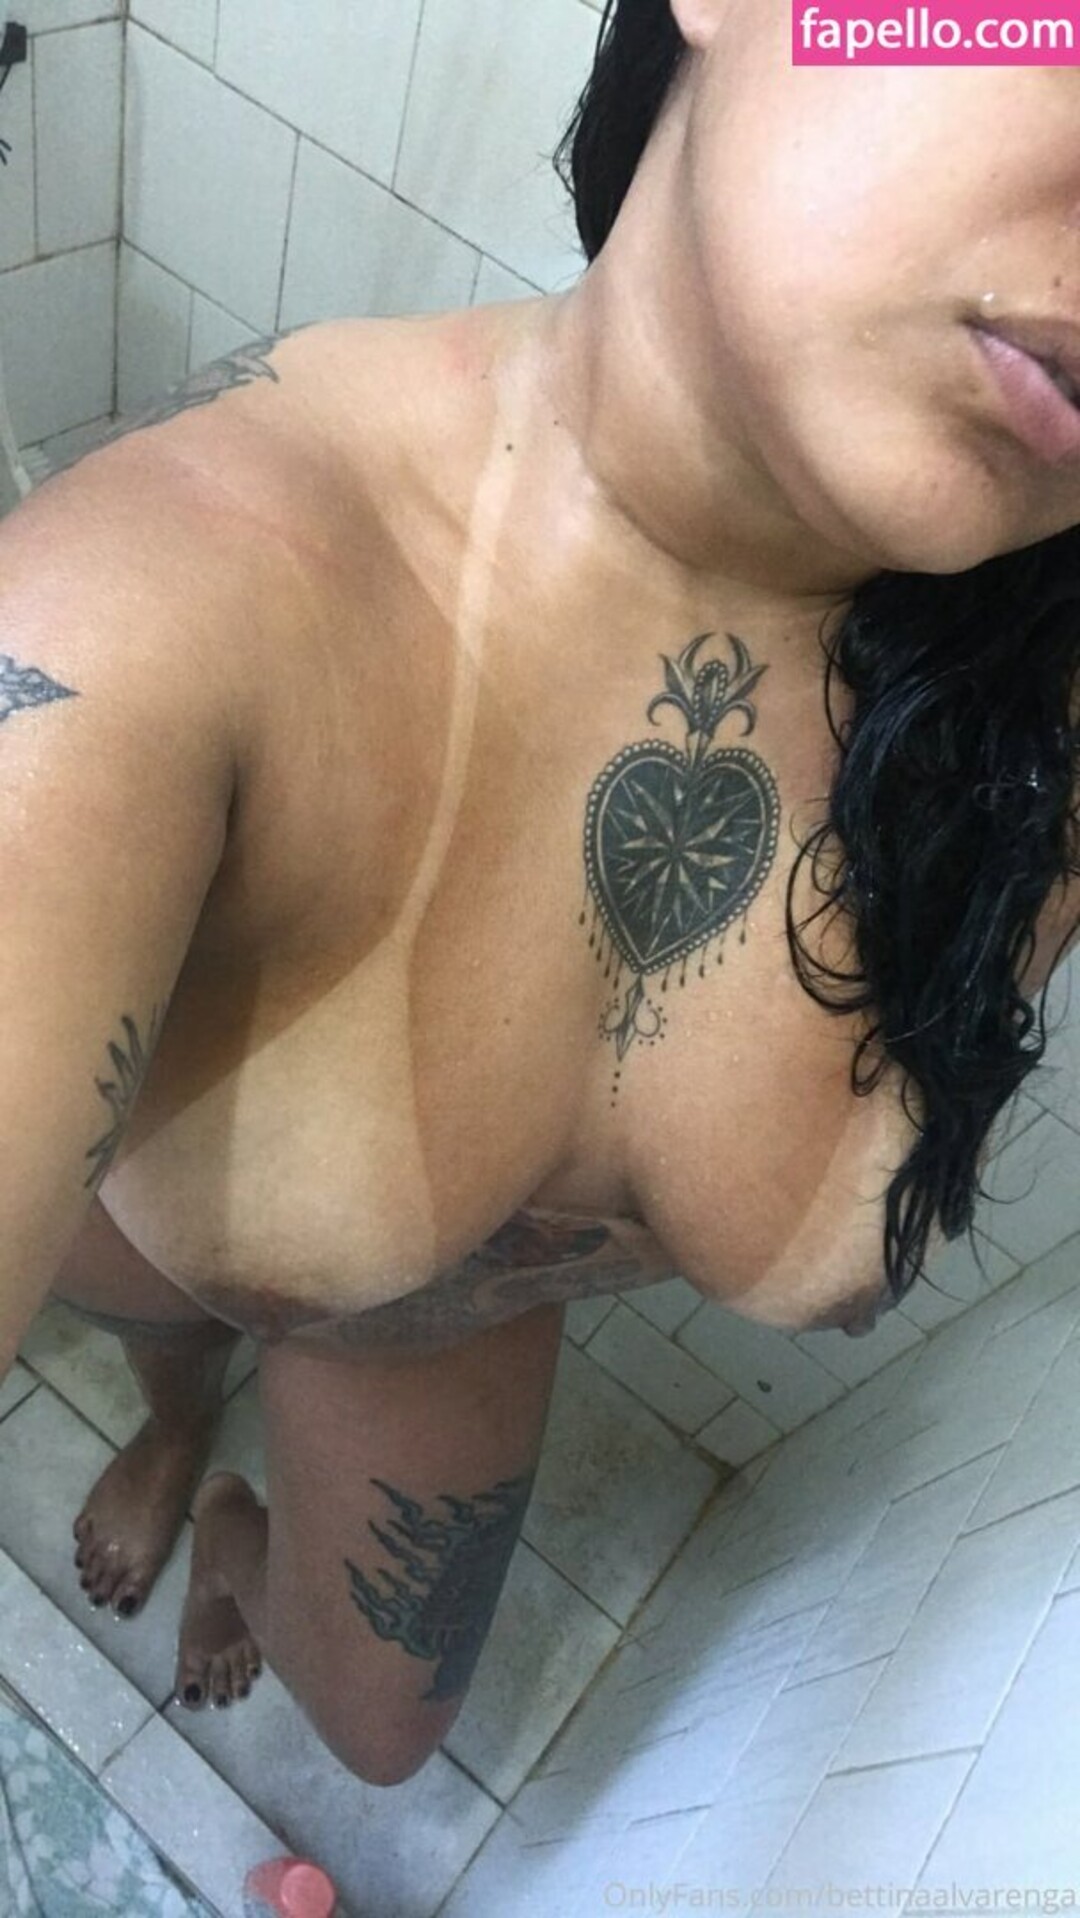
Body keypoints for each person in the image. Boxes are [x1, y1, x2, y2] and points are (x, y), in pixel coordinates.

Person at [3, 0, 1080, 1788]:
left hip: (442, 1319)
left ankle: (234, 1531)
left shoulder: (1025, 722)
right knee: (166, 1336)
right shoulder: (166, 603)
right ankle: (181, 1423)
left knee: (377, 1735)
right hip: (162, 1227)